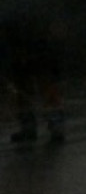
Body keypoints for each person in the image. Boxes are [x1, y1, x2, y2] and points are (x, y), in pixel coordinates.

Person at [3, 12, 66, 144]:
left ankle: (55, 129)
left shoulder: (29, 18)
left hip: (39, 57)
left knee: (47, 94)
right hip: (27, 58)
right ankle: (31, 128)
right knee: (24, 95)